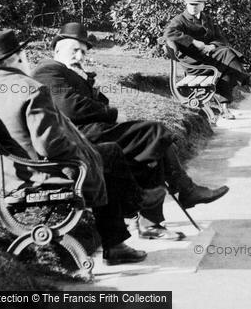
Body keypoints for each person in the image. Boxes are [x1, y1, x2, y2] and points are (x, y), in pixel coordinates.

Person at [0, 29, 165, 265]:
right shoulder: (31, 88)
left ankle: (129, 218)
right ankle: (132, 213)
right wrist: (83, 154)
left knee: (105, 153)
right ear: (18, 58)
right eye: (23, 55)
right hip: (41, 172)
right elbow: (50, 145)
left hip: (10, 174)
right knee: (107, 155)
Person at [31, 22, 229, 240]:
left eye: (83, 51)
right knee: (155, 132)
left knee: (153, 148)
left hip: (89, 131)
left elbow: (96, 102)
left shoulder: (68, 72)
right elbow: (71, 107)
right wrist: (112, 114)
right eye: (74, 50)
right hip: (77, 137)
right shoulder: (48, 70)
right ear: (57, 50)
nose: (79, 56)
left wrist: (86, 80)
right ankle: (183, 192)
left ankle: (155, 222)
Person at [163, 0, 251, 119]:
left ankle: (225, 108)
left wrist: (211, 46)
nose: (193, 7)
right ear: (186, 4)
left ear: (203, 5)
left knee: (228, 67)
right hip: (193, 61)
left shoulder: (206, 19)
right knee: (227, 54)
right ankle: (250, 83)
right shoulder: (180, 20)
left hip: (207, 56)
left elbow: (221, 39)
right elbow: (168, 34)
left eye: (197, 4)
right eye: (191, 4)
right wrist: (193, 41)